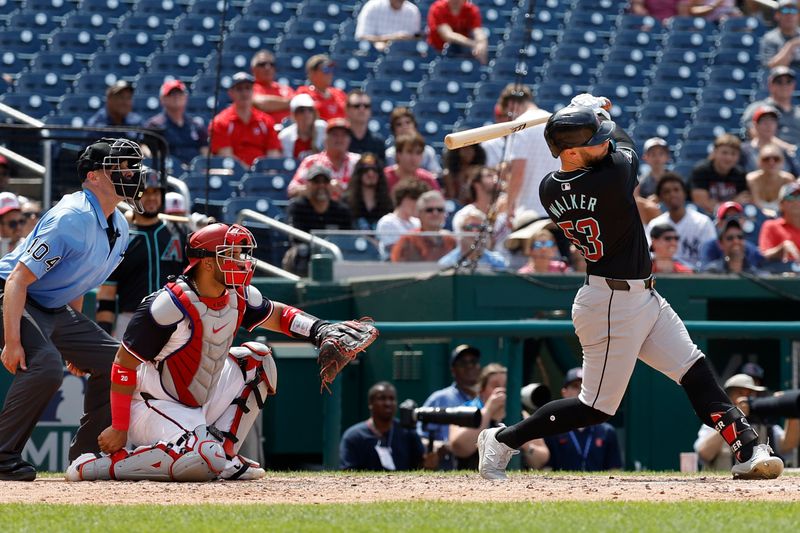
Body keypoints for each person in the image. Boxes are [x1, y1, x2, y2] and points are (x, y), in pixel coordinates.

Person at [476, 97, 784, 481]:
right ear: (571, 153)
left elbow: (607, 147)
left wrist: (588, 116)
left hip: (641, 296)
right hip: (610, 304)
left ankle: (747, 449)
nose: (604, 142)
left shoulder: (548, 188)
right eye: (594, 140)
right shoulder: (611, 177)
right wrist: (599, 111)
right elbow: (625, 147)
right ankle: (503, 439)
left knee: (694, 370)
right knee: (596, 407)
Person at [66, 223, 377, 481]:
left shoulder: (238, 295)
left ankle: (222, 456)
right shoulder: (169, 304)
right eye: (232, 254)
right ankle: (100, 467)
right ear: (207, 262)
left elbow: (279, 315)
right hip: (152, 404)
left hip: (199, 400)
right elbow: (122, 364)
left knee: (258, 358)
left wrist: (318, 329)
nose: (242, 261)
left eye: (242, 254)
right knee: (202, 458)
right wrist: (119, 426)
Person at [0, 138, 145, 481]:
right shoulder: (71, 216)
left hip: (49, 305)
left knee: (118, 364)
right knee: (46, 365)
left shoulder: (120, 226)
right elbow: (17, 280)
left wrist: (75, 344)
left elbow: (78, 282)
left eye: (130, 167)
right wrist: (12, 342)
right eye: (119, 167)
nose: (130, 173)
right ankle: (3, 454)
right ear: (93, 176)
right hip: (9, 294)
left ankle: (87, 456)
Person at [95, 170, 188, 339]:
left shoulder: (179, 232)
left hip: (175, 317)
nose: (151, 197)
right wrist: (104, 334)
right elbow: (107, 292)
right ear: (132, 196)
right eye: (144, 192)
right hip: (132, 318)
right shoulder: (120, 236)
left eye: (156, 192)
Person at [694, 373, 800, 471]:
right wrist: (731, 419)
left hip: (758, 485)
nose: (745, 398)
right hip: (724, 486)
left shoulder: (763, 422)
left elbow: (788, 445)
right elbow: (704, 454)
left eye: (750, 394)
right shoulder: (717, 420)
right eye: (740, 393)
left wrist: (789, 409)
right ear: (728, 397)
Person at [525, 368, 623, 471]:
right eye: (575, 386)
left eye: (586, 386)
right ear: (564, 393)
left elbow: (614, 469)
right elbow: (547, 468)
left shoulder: (606, 431)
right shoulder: (553, 429)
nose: (581, 390)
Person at [340, 381, 438, 471]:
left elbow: (420, 466)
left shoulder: (407, 432)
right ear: (370, 403)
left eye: (392, 399)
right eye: (382, 398)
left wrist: (428, 464)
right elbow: (348, 471)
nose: (388, 403)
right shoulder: (354, 436)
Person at [503, 84, 560, 222]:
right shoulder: (554, 121)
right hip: (558, 210)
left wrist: (509, 206)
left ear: (511, 104)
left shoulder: (518, 125)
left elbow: (518, 172)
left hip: (530, 211)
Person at [418, 344, 481, 470]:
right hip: (448, 469)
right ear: (453, 370)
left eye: (473, 362)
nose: (469, 366)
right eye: (463, 363)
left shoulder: (487, 397)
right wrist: (441, 447)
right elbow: (420, 437)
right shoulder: (440, 398)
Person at [282, 165, 352, 276]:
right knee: (299, 252)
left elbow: (349, 239)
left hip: (337, 257)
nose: (321, 186)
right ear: (307, 185)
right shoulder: (298, 207)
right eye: (316, 182)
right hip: (307, 256)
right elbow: (296, 238)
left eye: (325, 182)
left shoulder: (342, 210)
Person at [208, 72, 282, 167]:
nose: (244, 93)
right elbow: (227, 157)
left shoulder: (266, 121)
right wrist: (249, 173)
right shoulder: (220, 122)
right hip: (233, 174)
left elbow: (273, 155)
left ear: (253, 91)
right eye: (239, 89)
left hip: (262, 172)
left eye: (248, 88)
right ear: (231, 93)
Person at [645, 173, 716, 270]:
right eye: (667, 191)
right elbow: (649, 256)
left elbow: (711, 256)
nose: (672, 194)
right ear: (660, 197)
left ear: (684, 193)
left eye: (676, 190)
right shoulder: (655, 224)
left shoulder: (702, 222)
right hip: (664, 275)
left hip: (697, 277)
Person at [449, 363, 509, 469]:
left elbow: (541, 457)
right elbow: (459, 446)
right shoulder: (464, 411)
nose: (502, 390)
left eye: (506, 386)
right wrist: (488, 411)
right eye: (495, 385)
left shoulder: (519, 414)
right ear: (482, 390)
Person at [288, 118, 361, 199]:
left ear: (350, 139)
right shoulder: (312, 162)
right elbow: (292, 191)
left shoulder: (358, 161)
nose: (339, 139)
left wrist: (347, 190)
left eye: (344, 135)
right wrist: (321, 187)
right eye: (335, 134)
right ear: (325, 138)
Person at [143, 80, 208, 167]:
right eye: (171, 94)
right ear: (162, 99)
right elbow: (151, 153)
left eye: (179, 93)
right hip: (169, 173)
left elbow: (205, 155)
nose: (176, 97)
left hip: (195, 171)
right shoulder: (155, 125)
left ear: (186, 97)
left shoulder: (196, 125)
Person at [689, 134, 750, 216]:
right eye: (724, 153)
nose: (729, 158)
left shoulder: (740, 174)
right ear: (715, 152)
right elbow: (702, 204)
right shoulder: (701, 171)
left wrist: (716, 205)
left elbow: (744, 201)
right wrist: (734, 202)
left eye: (733, 154)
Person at [451, 167, 508, 251]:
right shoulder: (465, 215)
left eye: (496, 175)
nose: (496, 178)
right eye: (489, 175)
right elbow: (473, 247)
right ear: (476, 184)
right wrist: (493, 218)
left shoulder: (504, 213)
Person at [391, 190, 456, 262]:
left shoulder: (450, 240)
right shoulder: (409, 240)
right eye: (429, 210)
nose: (435, 213)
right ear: (419, 213)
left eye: (440, 210)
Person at [742, 66, 800, 147]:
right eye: (779, 82)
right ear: (770, 85)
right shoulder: (757, 107)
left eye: (788, 81)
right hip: (768, 156)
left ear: (794, 85)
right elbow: (754, 133)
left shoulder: (798, 112)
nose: (784, 85)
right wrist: (787, 148)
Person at [699, 202, 765, 269]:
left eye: (736, 216)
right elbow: (706, 274)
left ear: (743, 221)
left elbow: (760, 266)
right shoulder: (709, 247)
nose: (736, 241)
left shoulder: (749, 248)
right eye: (727, 217)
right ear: (719, 223)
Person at [438, 209, 508, 269]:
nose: (474, 232)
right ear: (459, 231)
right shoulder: (446, 263)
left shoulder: (498, 262)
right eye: (469, 227)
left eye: (480, 228)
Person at [375, 178, 428, 258]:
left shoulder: (417, 222)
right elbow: (395, 251)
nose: (416, 204)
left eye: (419, 200)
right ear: (402, 198)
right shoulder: (387, 222)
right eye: (413, 198)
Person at [740, 105, 798, 176]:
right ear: (755, 125)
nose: (768, 125)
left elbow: (795, 176)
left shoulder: (783, 152)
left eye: (772, 120)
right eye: (763, 120)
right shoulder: (744, 151)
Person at [427, 0, 488, 64]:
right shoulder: (438, 8)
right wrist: (473, 44)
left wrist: (481, 44)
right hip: (437, 53)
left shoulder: (471, 9)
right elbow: (447, 35)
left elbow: (478, 31)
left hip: (462, 53)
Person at [385, 107, 442, 174]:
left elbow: (436, 174)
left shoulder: (428, 152)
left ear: (414, 126)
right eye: (399, 124)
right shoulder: (389, 154)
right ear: (394, 130)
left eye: (408, 122)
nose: (404, 127)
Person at [344, 153, 393, 231]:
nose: (370, 174)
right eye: (365, 170)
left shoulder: (388, 203)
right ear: (359, 174)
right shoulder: (346, 202)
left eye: (375, 170)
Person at [745, 144, 796, 214]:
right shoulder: (752, 179)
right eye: (766, 159)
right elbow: (756, 207)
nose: (771, 162)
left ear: (782, 162)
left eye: (776, 159)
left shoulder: (788, 179)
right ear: (759, 162)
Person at [758, 181, 800, 265]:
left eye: (799, 197)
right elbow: (763, 256)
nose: (796, 202)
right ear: (781, 205)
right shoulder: (771, 226)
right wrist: (782, 248)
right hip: (783, 276)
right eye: (790, 198)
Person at [354, 0, 422, 52]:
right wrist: (392, 38)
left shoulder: (412, 10)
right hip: (373, 53)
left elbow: (415, 39)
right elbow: (361, 37)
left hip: (402, 55)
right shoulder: (372, 6)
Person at [296, 55, 347, 121]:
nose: (330, 73)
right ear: (312, 73)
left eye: (331, 69)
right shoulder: (304, 93)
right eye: (326, 70)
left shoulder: (339, 93)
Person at [278, 93, 328, 160]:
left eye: (310, 110)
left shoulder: (323, 128)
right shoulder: (285, 136)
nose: (306, 114)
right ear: (293, 114)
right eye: (301, 110)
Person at [251, 49, 294, 125]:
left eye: (271, 64)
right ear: (253, 69)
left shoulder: (285, 88)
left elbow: (298, 105)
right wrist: (290, 102)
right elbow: (261, 103)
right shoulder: (249, 88)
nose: (267, 67)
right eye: (262, 64)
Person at [345, 90, 386, 162]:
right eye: (356, 106)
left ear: (370, 111)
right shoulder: (340, 140)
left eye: (366, 106)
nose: (362, 109)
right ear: (347, 110)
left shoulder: (378, 142)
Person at [761, 0, 800, 71]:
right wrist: (791, 45)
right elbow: (771, 68)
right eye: (785, 10)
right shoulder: (769, 38)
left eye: (793, 10)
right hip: (782, 79)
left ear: (798, 15)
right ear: (777, 15)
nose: (789, 15)